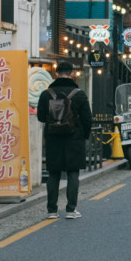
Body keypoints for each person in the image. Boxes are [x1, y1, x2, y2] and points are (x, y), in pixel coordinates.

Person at [35, 62, 92, 219]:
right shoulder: (79, 94)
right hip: (74, 139)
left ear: (56, 73)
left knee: (54, 173)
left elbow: (40, 117)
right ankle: (71, 209)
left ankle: (52, 210)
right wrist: (84, 136)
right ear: (72, 73)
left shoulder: (47, 94)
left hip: (53, 138)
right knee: (73, 173)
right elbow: (88, 119)